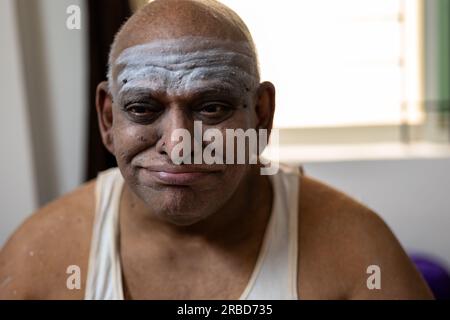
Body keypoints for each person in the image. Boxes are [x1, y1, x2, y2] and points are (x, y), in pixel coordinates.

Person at [0, 0, 433, 299]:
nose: (178, 144)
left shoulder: (355, 250)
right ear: (109, 119)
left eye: (211, 107)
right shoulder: (43, 256)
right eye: (142, 108)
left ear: (261, 116)